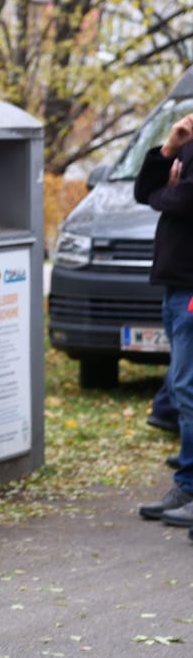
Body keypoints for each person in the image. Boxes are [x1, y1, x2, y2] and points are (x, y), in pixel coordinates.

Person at [134, 111, 193, 525]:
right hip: (175, 285)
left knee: (186, 387)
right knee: (181, 386)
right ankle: (187, 483)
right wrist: (170, 148)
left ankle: (188, 485)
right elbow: (145, 191)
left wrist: (167, 194)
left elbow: (184, 200)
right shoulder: (186, 146)